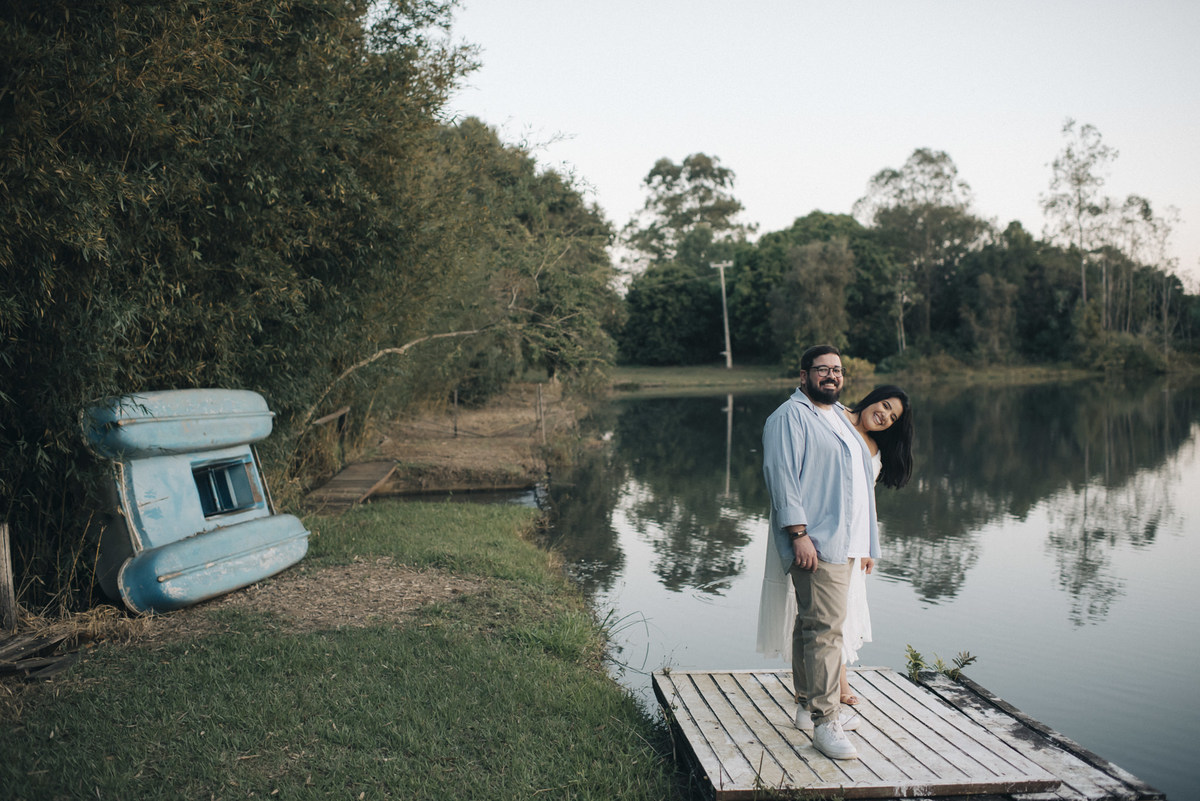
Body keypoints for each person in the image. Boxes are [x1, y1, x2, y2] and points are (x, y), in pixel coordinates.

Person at [760, 345, 878, 761]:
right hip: (817, 540)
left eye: (838, 370)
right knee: (827, 631)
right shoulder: (788, 417)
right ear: (803, 374)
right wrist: (798, 533)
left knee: (810, 624)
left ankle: (805, 705)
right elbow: (781, 476)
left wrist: (866, 543)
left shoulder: (839, 415)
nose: (831, 375)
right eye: (823, 369)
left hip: (846, 542)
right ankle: (827, 722)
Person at [837, 385, 913, 706]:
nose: (884, 415)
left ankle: (831, 682)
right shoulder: (834, 417)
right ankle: (829, 684)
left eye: (892, 417)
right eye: (884, 405)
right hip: (824, 534)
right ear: (872, 398)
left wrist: (870, 546)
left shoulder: (875, 449)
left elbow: (867, 502)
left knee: (839, 613)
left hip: (854, 543)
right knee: (821, 613)